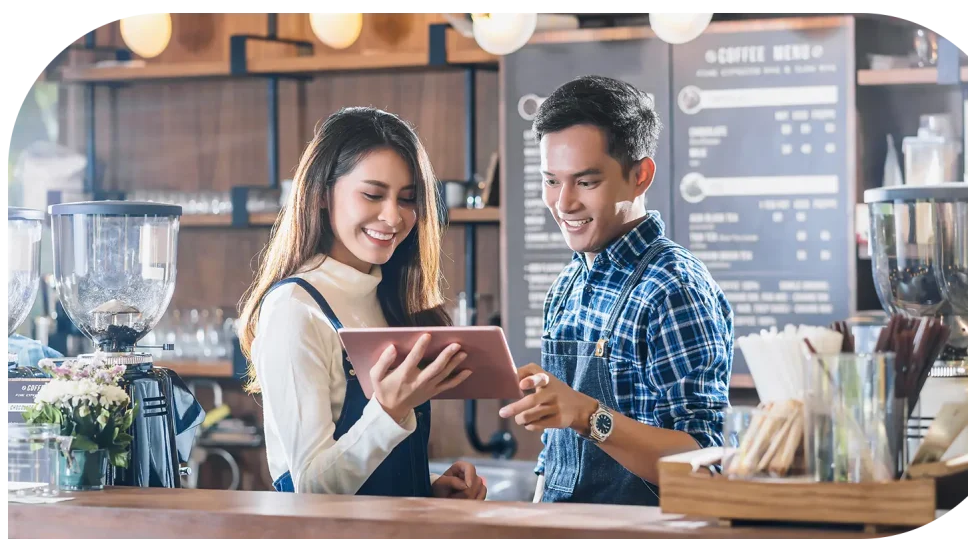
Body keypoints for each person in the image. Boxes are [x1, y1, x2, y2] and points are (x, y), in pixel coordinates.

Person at [499, 76, 734, 506]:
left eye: (586, 182)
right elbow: (556, 455)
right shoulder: (567, 285)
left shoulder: (673, 288)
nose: (563, 203)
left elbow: (706, 459)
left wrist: (587, 415)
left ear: (640, 176)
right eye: (551, 181)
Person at [238, 106, 486, 500]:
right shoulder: (294, 309)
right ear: (321, 194)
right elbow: (312, 488)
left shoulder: (390, 299)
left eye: (407, 199)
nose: (393, 217)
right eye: (373, 195)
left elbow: (370, 473)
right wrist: (388, 411)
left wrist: (425, 490)